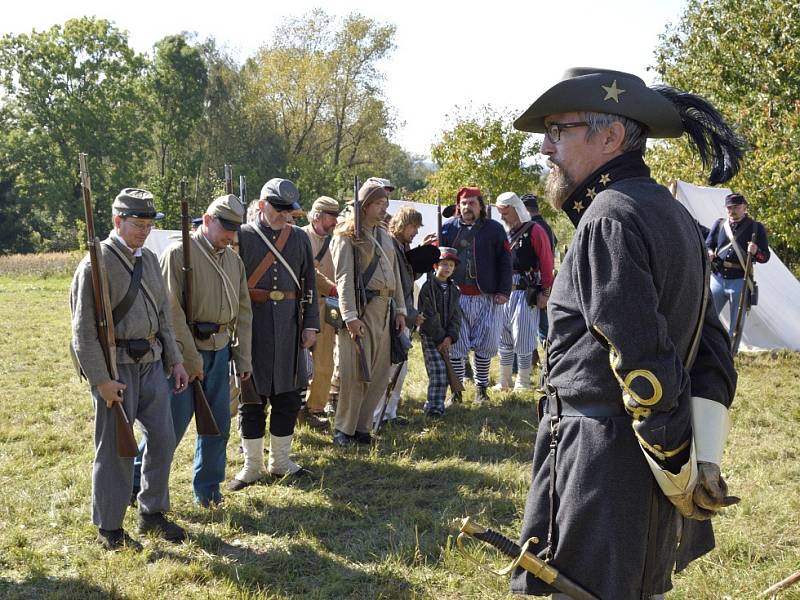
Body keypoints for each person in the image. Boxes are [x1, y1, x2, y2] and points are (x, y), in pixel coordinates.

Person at [510, 68, 742, 599]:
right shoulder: (670, 212)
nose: (546, 147)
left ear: (610, 136)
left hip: (605, 466)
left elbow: (644, 364)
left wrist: (677, 467)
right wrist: (697, 459)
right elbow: (713, 351)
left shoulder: (608, 218)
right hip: (646, 463)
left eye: (558, 130)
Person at [70, 188, 189, 550]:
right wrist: (101, 380)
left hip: (152, 363)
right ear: (117, 221)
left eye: (149, 224)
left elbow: (163, 316)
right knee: (116, 450)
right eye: (138, 223)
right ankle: (109, 527)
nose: (144, 231)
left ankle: (152, 511)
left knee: (164, 438)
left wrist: (176, 359)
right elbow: (82, 332)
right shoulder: (95, 263)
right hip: (115, 366)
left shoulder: (150, 260)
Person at [133, 194, 252, 507]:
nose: (230, 235)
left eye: (234, 229)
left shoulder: (233, 260)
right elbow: (170, 312)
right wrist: (189, 359)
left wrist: (243, 358)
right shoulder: (178, 253)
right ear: (207, 220)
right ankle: (135, 483)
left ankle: (208, 491)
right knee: (167, 428)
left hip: (221, 350)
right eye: (225, 227)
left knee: (218, 428)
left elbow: (243, 311)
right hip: (184, 356)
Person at [227, 178, 319, 490]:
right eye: (278, 210)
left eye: (288, 211)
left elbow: (309, 284)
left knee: (289, 395)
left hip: (291, 326)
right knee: (252, 397)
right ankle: (252, 465)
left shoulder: (299, 239)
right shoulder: (242, 236)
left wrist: (310, 324)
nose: (284, 216)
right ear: (263, 205)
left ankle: (280, 461)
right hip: (253, 326)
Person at [330, 180, 406, 447]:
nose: (384, 207)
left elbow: (394, 273)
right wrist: (350, 316)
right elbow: (344, 279)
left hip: (385, 310)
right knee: (354, 372)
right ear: (365, 205)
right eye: (378, 203)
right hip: (362, 310)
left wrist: (400, 309)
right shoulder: (346, 235)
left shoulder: (384, 233)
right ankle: (344, 428)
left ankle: (363, 428)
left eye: (385, 203)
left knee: (379, 372)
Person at [440, 186, 512, 404]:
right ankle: (457, 390)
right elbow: (439, 258)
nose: (467, 207)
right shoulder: (448, 228)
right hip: (456, 298)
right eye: (463, 203)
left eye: (472, 203)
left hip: (487, 296)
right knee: (456, 345)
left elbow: (505, 261)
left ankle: (481, 389)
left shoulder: (495, 229)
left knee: (485, 344)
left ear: (481, 206)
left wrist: (503, 290)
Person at [492, 192, 554, 391]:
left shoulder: (535, 230)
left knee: (524, 336)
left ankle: (523, 381)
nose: (502, 216)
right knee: (504, 336)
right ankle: (505, 380)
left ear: (517, 209)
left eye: (505, 212)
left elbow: (546, 261)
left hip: (525, 290)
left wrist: (545, 292)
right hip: (504, 291)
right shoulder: (503, 232)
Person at [373, 205, 423, 427]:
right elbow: (395, 286)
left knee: (400, 369)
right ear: (404, 223)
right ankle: (379, 416)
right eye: (413, 226)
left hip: (404, 312)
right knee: (389, 370)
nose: (415, 231)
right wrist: (408, 314)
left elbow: (408, 280)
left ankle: (389, 413)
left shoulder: (402, 246)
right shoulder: (391, 244)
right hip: (395, 313)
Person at [705, 192, 770, 348]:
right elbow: (708, 244)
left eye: (735, 207)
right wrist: (709, 253)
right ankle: (708, 349)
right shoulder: (720, 225)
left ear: (744, 207)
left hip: (740, 280)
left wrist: (756, 252)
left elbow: (765, 257)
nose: (731, 211)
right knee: (706, 317)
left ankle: (730, 353)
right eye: (729, 208)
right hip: (718, 278)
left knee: (736, 325)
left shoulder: (756, 227)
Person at [301, 196, 341, 429]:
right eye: (330, 217)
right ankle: (296, 407)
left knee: (325, 360)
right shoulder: (302, 236)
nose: (334, 222)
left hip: (331, 306)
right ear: (317, 216)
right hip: (306, 305)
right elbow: (309, 272)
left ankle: (314, 408)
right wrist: (333, 288)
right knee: (301, 362)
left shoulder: (334, 241)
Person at [417, 247, 462, 417]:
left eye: (451, 265)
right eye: (444, 264)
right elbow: (428, 315)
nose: (448, 268)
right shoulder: (427, 288)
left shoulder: (454, 290)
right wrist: (441, 338)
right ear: (435, 266)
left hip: (445, 339)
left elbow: (456, 316)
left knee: (443, 370)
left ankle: (437, 406)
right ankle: (433, 409)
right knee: (438, 372)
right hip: (430, 337)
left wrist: (450, 337)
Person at [521, 193, 557, 349]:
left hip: (537, 279)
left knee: (539, 326)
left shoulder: (534, 228)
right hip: (544, 277)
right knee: (541, 324)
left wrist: (545, 289)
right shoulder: (546, 226)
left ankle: (549, 361)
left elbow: (544, 258)